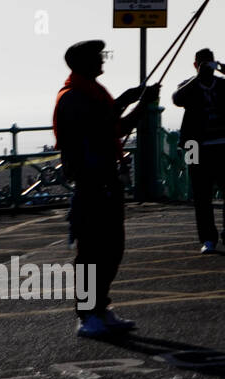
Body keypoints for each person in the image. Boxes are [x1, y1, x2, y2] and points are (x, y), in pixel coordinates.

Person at [52, 40, 159, 337]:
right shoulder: (73, 97)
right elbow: (101, 123)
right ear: (82, 63)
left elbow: (116, 128)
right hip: (89, 182)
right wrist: (129, 99)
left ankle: (100, 308)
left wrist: (141, 105)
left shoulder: (92, 93)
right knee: (91, 252)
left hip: (106, 180)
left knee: (112, 248)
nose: (103, 60)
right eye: (98, 57)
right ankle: (87, 315)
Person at [171, 48, 225, 254]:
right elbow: (177, 99)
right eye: (202, 64)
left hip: (223, 143)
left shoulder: (224, 84)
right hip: (194, 145)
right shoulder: (189, 86)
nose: (205, 67)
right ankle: (208, 238)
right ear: (195, 66)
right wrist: (197, 78)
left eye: (208, 63)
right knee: (201, 194)